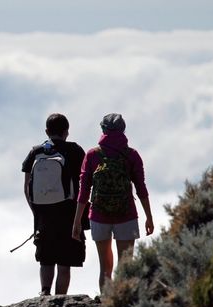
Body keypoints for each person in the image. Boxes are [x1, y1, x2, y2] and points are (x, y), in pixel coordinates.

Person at [72, 113, 154, 294]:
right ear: (123, 130)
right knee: (126, 266)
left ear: (103, 130)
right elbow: (141, 188)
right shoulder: (132, 155)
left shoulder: (92, 155)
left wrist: (77, 221)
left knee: (105, 268)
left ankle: (105, 306)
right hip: (127, 215)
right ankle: (124, 305)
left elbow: (84, 192)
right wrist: (149, 216)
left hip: (99, 216)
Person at [22, 113, 86, 296]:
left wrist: (36, 211)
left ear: (47, 131)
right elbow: (85, 183)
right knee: (64, 263)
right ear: (67, 132)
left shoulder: (35, 152)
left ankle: (44, 293)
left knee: (46, 259)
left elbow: (27, 188)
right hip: (69, 213)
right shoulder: (75, 151)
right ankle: (60, 300)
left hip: (43, 214)